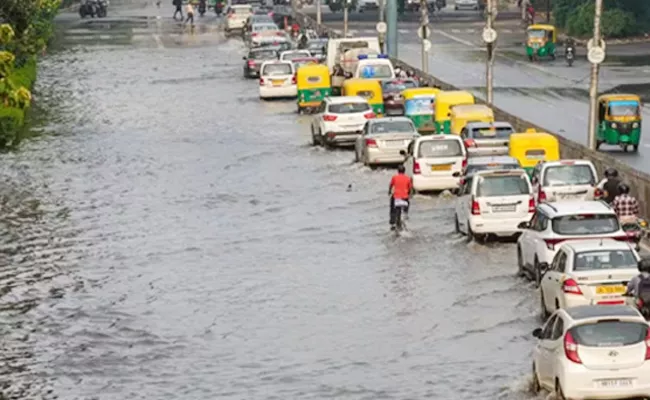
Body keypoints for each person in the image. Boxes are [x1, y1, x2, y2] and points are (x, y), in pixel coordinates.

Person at [388, 164, 413, 229]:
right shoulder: (408, 178)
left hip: (396, 197)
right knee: (407, 205)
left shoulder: (394, 177)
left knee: (392, 208)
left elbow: (391, 185)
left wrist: (389, 191)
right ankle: (406, 214)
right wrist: (409, 195)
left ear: (398, 171)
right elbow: (410, 189)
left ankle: (392, 222)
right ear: (404, 171)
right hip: (404, 197)